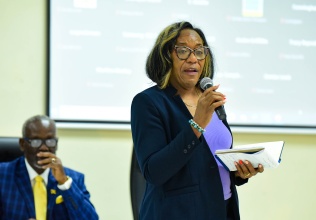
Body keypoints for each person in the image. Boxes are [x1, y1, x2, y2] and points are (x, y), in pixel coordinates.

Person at [130, 21, 264, 220]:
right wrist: (197, 123)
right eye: (183, 51)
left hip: (222, 210)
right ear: (167, 56)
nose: (193, 59)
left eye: (199, 51)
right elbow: (154, 172)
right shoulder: (148, 102)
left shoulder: (209, 99)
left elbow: (210, 159)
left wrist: (239, 172)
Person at [0, 115, 99, 220]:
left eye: (50, 141)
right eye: (36, 141)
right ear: (22, 144)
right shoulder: (3, 175)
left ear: (56, 144)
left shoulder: (73, 179)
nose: (44, 147)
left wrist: (64, 183)